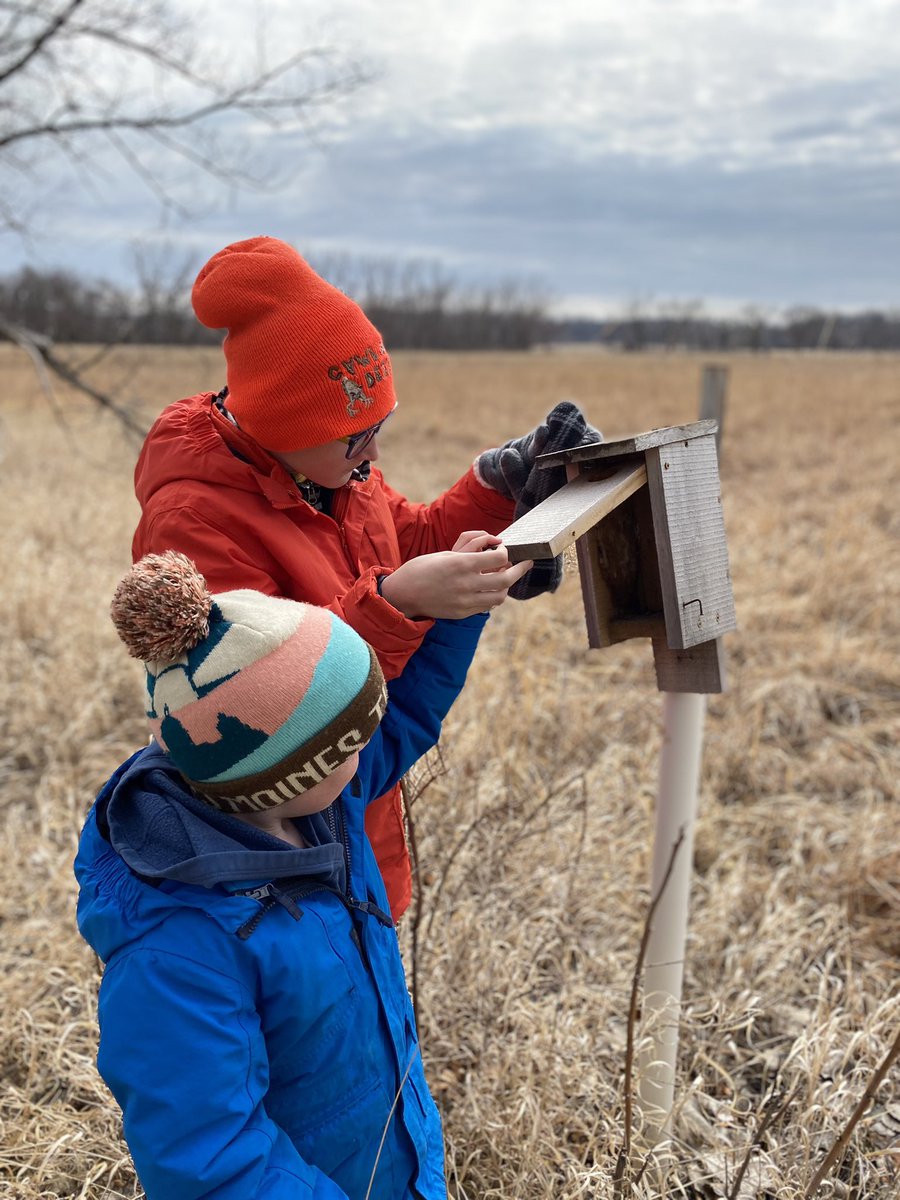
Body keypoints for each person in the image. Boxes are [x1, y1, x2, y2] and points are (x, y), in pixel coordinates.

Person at [132, 235, 600, 918]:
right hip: (274, 855)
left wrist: (497, 482)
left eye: (378, 427)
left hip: (357, 806)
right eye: (357, 437)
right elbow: (251, 697)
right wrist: (397, 604)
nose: (373, 452)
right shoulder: (193, 519)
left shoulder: (331, 472)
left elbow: (405, 540)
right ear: (281, 425)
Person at [75, 546, 523, 1200]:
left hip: (390, 1161)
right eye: (348, 740)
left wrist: (457, 613)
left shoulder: (316, 805)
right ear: (288, 769)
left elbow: (402, 719)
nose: (368, 747)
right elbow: (211, 1161)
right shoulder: (179, 952)